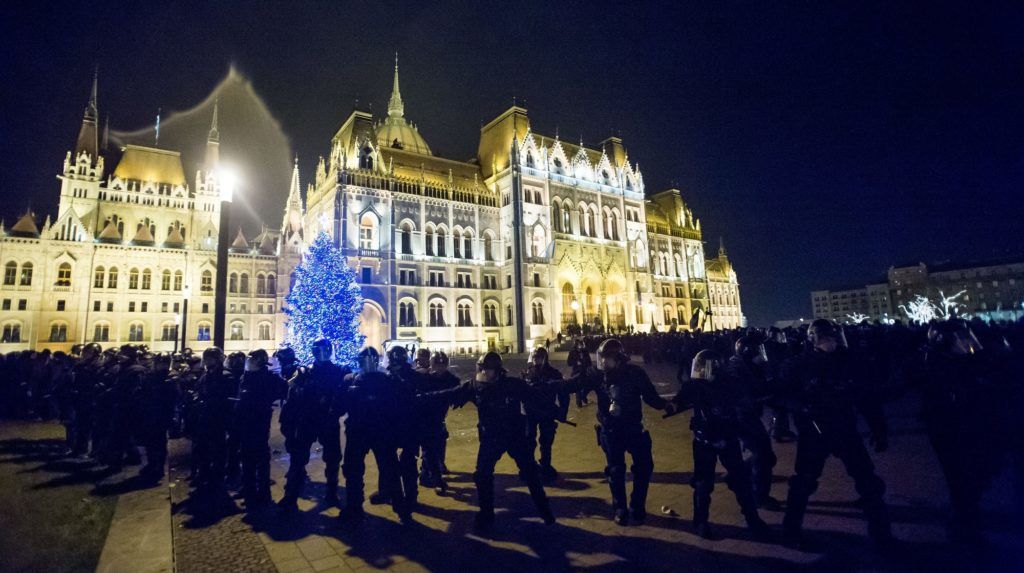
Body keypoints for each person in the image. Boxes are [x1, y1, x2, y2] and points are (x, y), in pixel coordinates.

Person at [780, 319, 894, 549]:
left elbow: (866, 398)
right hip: (814, 432)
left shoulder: (849, 362)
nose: (830, 344)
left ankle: (882, 534)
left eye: (833, 339)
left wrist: (879, 428)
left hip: (844, 428)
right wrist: (801, 408)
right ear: (814, 340)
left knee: (868, 481)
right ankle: (790, 530)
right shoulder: (799, 365)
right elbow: (782, 394)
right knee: (803, 483)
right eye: (825, 339)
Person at [421, 352, 555, 528]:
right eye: (482, 369)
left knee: (530, 473)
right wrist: (422, 398)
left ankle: (545, 511)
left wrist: (552, 404)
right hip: (491, 438)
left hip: (514, 437)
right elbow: (449, 394)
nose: (484, 373)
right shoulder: (475, 385)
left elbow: (538, 396)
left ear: (497, 370)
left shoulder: (513, 384)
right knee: (482, 475)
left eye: (488, 369)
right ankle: (486, 514)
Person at [561, 339, 672, 525]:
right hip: (611, 430)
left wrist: (666, 405)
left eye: (607, 358)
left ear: (618, 358)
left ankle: (637, 506)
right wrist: (547, 386)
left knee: (644, 467)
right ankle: (620, 508)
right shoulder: (596, 374)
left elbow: (651, 397)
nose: (603, 362)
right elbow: (574, 384)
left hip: (633, 427)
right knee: (615, 471)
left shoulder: (635, 373)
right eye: (601, 358)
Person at [668, 350, 770, 539]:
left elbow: (746, 398)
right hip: (704, 439)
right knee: (703, 483)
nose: (701, 371)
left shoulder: (729, 384)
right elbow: (679, 400)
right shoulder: (694, 385)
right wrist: (672, 405)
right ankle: (701, 522)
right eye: (699, 367)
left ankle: (752, 518)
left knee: (740, 480)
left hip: (727, 437)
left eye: (704, 367)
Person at [920, 319, 1003, 543]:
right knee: (961, 479)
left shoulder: (967, 362)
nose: (966, 345)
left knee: (972, 478)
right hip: (949, 432)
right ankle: (964, 526)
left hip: (970, 428)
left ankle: (965, 517)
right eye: (959, 341)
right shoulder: (935, 366)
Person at [339, 347, 416, 523]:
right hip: (366, 432)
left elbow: (403, 402)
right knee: (357, 470)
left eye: (370, 360)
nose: (368, 364)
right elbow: (340, 405)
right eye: (365, 361)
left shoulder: (385, 380)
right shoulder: (356, 380)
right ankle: (357, 506)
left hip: (377, 432)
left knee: (387, 470)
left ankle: (398, 508)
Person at [278, 339, 348, 511]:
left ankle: (331, 492)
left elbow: (344, 396)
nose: (322, 354)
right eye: (319, 350)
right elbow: (292, 393)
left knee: (332, 459)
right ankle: (291, 496)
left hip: (327, 419)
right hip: (308, 420)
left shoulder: (339, 371)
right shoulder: (305, 371)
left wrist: (335, 410)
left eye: (325, 350)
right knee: (298, 458)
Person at [724, 335, 779, 508]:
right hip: (741, 417)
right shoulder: (736, 369)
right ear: (747, 352)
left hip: (748, 416)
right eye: (757, 352)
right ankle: (759, 497)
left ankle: (736, 475)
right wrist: (763, 395)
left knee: (764, 456)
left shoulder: (748, 366)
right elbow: (744, 394)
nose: (760, 355)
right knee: (763, 455)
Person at [236, 349, 288, 507]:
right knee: (246, 457)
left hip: (259, 421)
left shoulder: (269, 378)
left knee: (260, 457)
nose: (249, 363)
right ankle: (249, 489)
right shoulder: (246, 376)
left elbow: (283, 390)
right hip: (245, 421)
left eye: (251, 360)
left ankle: (263, 492)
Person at [192, 347, 237, 497]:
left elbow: (227, 400)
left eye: (209, 358)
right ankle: (204, 473)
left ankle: (217, 478)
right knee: (202, 448)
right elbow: (199, 390)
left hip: (218, 419)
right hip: (205, 417)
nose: (206, 361)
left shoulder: (225, 376)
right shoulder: (207, 375)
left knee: (218, 450)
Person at [417, 350, 460, 493]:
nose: (440, 368)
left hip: (439, 417)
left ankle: (435, 467)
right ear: (432, 364)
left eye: (442, 365)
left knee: (440, 441)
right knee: (429, 448)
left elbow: (457, 391)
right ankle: (432, 477)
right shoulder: (424, 377)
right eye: (437, 364)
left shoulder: (450, 379)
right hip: (425, 418)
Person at [522, 346, 566, 483]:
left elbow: (563, 393)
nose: (536, 360)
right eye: (534, 357)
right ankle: (529, 466)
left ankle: (545, 465)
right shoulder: (527, 373)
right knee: (528, 440)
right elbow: (518, 392)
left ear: (545, 358)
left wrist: (562, 411)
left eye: (539, 357)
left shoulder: (554, 374)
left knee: (546, 441)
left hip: (547, 412)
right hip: (530, 413)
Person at [132, 353, 178, 482]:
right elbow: (143, 392)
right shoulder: (151, 376)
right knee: (150, 442)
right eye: (161, 363)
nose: (163, 366)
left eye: (165, 363)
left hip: (162, 415)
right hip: (149, 414)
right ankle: (152, 465)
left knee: (159, 443)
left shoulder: (170, 378)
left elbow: (173, 397)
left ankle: (158, 468)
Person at [567, 338, 591, 407]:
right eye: (579, 345)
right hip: (576, 372)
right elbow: (569, 362)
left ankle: (584, 397)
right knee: (578, 388)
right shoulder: (572, 352)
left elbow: (589, 361)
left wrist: (589, 368)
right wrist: (576, 362)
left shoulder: (585, 351)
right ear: (576, 345)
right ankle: (579, 402)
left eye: (581, 345)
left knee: (586, 386)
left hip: (585, 371)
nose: (580, 347)